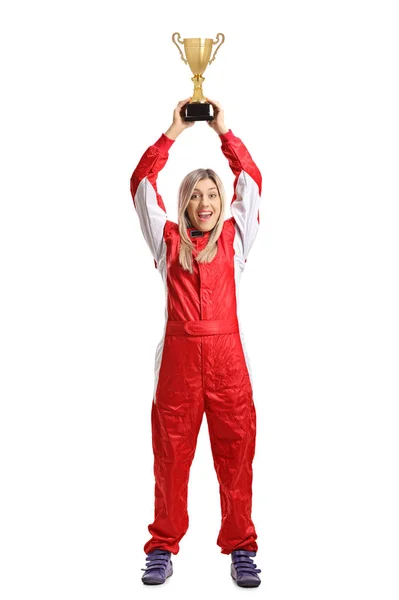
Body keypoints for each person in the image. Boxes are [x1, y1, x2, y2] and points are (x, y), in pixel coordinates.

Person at [130, 98, 263, 588]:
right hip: (179, 369)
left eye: (212, 194)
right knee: (170, 456)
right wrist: (173, 133)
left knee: (236, 454)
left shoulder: (235, 240)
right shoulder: (167, 243)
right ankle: (163, 545)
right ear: (183, 202)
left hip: (228, 367)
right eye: (194, 195)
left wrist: (225, 133)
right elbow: (142, 187)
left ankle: (242, 546)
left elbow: (251, 181)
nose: (204, 203)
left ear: (221, 202)